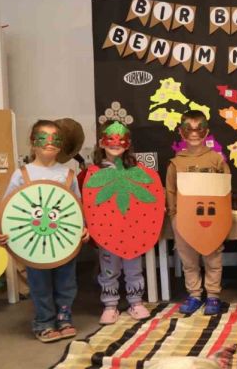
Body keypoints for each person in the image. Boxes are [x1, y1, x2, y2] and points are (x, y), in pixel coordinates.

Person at [0, 120, 89, 342]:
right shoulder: (22, 174)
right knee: (39, 284)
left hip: (64, 240)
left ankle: (64, 318)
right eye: (43, 137)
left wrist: (84, 228)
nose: (50, 143)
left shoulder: (68, 174)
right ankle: (44, 322)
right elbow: (8, 206)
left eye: (55, 138)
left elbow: (76, 206)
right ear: (33, 142)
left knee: (66, 282)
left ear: (61, 144)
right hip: (33, 244)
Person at [166, 110, 230, 315]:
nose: (194, 134)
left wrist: (222, 217)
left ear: (206, 132)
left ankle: (213, 296)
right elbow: (170, 191)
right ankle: (194, 294)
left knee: (213, 258)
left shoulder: (216, 160)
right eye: (189, 129)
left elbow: (225, 189)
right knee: (189, 260)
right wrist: (175, 217)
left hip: (211, 219)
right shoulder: (176, 163)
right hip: (184, 221)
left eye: (199, 129)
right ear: (181, 132)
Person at [90, 121, 151, 324]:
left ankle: (136, 302)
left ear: (128, 143)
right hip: (107, 231)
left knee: (134, 268)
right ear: (101, 142)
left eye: (120, 139)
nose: (115, 143)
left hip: (132, 229)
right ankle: (110, 305)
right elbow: (90, 202)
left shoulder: (137, 170)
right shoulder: (94, 172)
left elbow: (147, 196)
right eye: (110, 138)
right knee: (109, 268)